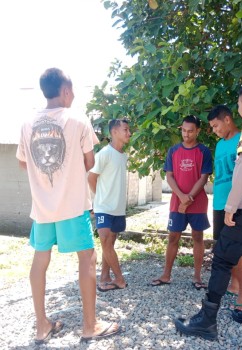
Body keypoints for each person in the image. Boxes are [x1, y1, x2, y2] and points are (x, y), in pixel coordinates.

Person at [16, 68, 121, 344]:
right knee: (87, 258)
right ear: (64, 91)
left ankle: (42, 326)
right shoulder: (77, 119)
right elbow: (89, 162)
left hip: (42, 208)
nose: (73, 96)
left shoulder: (27, 123)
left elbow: (23, 162)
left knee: (40, 260)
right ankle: (90, 325)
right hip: (72, 205)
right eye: (72, 91)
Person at [174, 82, 242, 340]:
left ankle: (206, 321)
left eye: (238, 105)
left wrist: (231, 206)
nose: (239, 110)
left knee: (222, 259)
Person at [151, 115, 213, 289]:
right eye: (184, 130)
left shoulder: (204, 151)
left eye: (190, 131)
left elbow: (203, 178)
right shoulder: (173, 151)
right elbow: (169, 176)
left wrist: (188, 199)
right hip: (176, 202)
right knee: (173, 237)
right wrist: (181, 197)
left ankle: (197, 277)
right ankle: (166, 274)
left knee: (198, 237)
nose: (186, 134)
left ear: (198, 131)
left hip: (198, 203)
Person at [207, 105, 242, 311]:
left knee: (237, 251)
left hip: (236, 205)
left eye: (216, 126)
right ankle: (234, 284)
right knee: (224, 248)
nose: (215, 130)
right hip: (218, 203)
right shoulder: (219, 145)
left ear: (227, 119)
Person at [88, 118, 131, 292]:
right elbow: (91, 178)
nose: (129, 133)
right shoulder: (104, 153)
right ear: (114, 132)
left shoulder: (122, 155)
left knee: (109, 244)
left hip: (118, 209)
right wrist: (100, 198)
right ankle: (119, 279)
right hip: (104, 207)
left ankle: (105, 278)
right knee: (105, 240)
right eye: (125, 130)